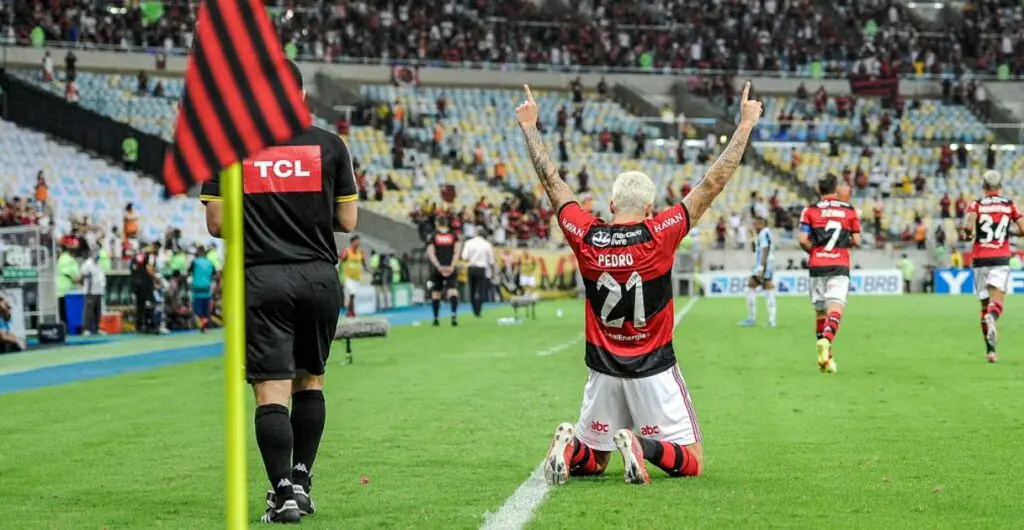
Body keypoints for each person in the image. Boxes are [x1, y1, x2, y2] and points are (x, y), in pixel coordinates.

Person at [515, 82, 762, 486]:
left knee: (594, 461)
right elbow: (712, 184)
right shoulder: (660, 232)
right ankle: (639, 445)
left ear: (612, 205)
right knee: (692, 461)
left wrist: (530, 127)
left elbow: (554, 185)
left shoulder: (587, 234)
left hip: (603, 367)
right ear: (650, 209)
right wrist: (746, 124)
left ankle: (570, 446)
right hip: (653, 366)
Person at [200, 60, 357, 524]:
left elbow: (216, 223)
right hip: (317, 276)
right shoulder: (330, 145)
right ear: (301, 96)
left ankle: (283, 494)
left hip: (262, 277)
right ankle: (303, 481)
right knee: (311, 380)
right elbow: (347, 220)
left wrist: (261, 216)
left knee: (271, 390)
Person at [798, 173, 862, 373]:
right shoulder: (850, 210)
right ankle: (826, 340)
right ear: (836, 189)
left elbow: (802, 239)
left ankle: (826, 359)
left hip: (817, 265)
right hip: (839, 265)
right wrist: (841, 247)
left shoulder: (810, 210)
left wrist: (816, 252)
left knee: (820, 312)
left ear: (818, 189)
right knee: (836, 308)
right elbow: (857, 240)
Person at [959, 170, 1024, 363]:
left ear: (983, 186)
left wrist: (968, 235)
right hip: (1000, 257)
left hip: (980, 258)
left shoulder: (976, 204)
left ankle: (991, 351)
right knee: (997, 304)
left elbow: (967, 227)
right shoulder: (1009, 204)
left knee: (984, 305)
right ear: (1000, 186)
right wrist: (1009, 233)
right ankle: (993, 318)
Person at [739, 216, 777, 327]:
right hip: (765, 265)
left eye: (755, 224)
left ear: (761, 224)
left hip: (765, 265)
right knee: (767, 290)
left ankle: (752, 319)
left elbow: (765, 250)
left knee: (750, 288)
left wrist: (761, 268)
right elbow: (754, 250)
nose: (754, 226)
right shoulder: (763, 234)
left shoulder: (764, 233)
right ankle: (771, 320)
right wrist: (752, 237)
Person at [426, 216, 462, 327]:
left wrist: (439, 266)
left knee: (436, 292)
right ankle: (453, 315)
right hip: (450, 267)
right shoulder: (454, 236)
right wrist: (451, 266)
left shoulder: (433, 236)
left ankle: (436, 318)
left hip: (438, 268)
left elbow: (430, 253)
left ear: (437, 223)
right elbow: (457, 252)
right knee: (453, 291)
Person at [461, 226, 496, 317]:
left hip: (471, 268)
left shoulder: (468, 243)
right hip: (481, 268)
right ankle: (478, 309)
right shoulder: (487, 244)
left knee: (472, 289)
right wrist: (493, 273)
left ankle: (474, 308)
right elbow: (491, 261)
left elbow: (464, 256)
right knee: (481, 290)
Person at [130, 242, 158, 333]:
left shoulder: (135, 257)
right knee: (150, 303)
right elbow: (149, 269)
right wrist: (157, 279)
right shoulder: (149, 256)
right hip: (146, 284)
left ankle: (139, 326)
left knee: (140, 305)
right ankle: (150, 325)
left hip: (136, 284)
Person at [189, 245, 216, 331]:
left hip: (197, 288)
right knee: (205, 309)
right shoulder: (210, 262)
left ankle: (203, 325)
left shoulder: (195, 262)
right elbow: (214, 275)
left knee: (198, 309)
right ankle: (205, 326)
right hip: (207, 288)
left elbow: (188, 272)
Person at [80, 248, 106, 335]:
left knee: (98, 311)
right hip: (90, 291)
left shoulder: (99, 264)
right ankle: (86, 329)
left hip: (99, 290)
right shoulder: (87, 264)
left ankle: (97, 328)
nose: (97, 255)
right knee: (89, 311)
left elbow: (101, 276)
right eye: (95, 253)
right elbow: (83, 274)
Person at [339, 235, 367, 317]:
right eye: (356, 241)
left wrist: (367, 269)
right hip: (347, 277)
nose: (358, 243)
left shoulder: (360, 252)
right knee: (352, 293)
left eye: (359, 242)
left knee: (353, 295)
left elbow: (363, 262)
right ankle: (351, 312)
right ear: (352, 242)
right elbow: (341, 260)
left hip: (356, 278)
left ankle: (350, 311)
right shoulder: (346, 251)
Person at [55, 241, 81, 329]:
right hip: (65, 289)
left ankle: (66, 328)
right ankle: (66, 329)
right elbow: (70, 273)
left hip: (66, 289)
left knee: (65, 311)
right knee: (65, 312)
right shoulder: (66, 259)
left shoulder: (66, 258)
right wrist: (77, 279)